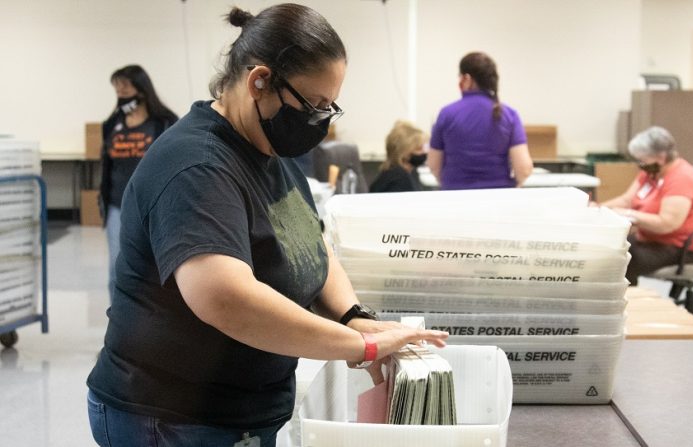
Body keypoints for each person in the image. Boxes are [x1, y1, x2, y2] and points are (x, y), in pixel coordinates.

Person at [86, 4, 448, 447]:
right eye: (313, 104)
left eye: (328, 106)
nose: (319, 119)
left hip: (237, 410)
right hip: (170, 417)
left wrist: (354, 317)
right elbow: (224, 297)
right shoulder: (196, 166)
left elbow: (309, 242)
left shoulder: (269, 150)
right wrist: (362, 348)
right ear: (260, 81)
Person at [99, 65, 178, 300]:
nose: (120, 92)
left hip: (153, 207)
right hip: (117, 205)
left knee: (154, 267)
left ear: (142, 90)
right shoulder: (112, 124)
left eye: (125, 85)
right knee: (116, 268)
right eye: (117, 87)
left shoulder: (164, 123)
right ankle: (119, 320)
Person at [599, 126, 693, 285]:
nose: (640, 164)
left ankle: (627, 302)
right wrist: (599, 209)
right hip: (652, 240)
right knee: (610, 246)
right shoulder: (651, 173)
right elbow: (627, 200)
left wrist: (630, 214)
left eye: (643, 159)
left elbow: (667, 224)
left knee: (624, 258)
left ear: (660, 157)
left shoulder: (681, 178)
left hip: (682, 247)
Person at [427, 51, 533, 190]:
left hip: (455, 200)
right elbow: (524, 169)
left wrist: (450, 185)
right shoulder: (509, 115)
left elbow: (434, 165)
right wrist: (515, 187)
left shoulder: (447, 114)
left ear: (467, 79)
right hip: (498, 199)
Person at [369, 120, 428, 193]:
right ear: (404, 153)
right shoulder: (398, 178)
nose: (424, 152)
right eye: (418, 149)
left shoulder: (410, 173)